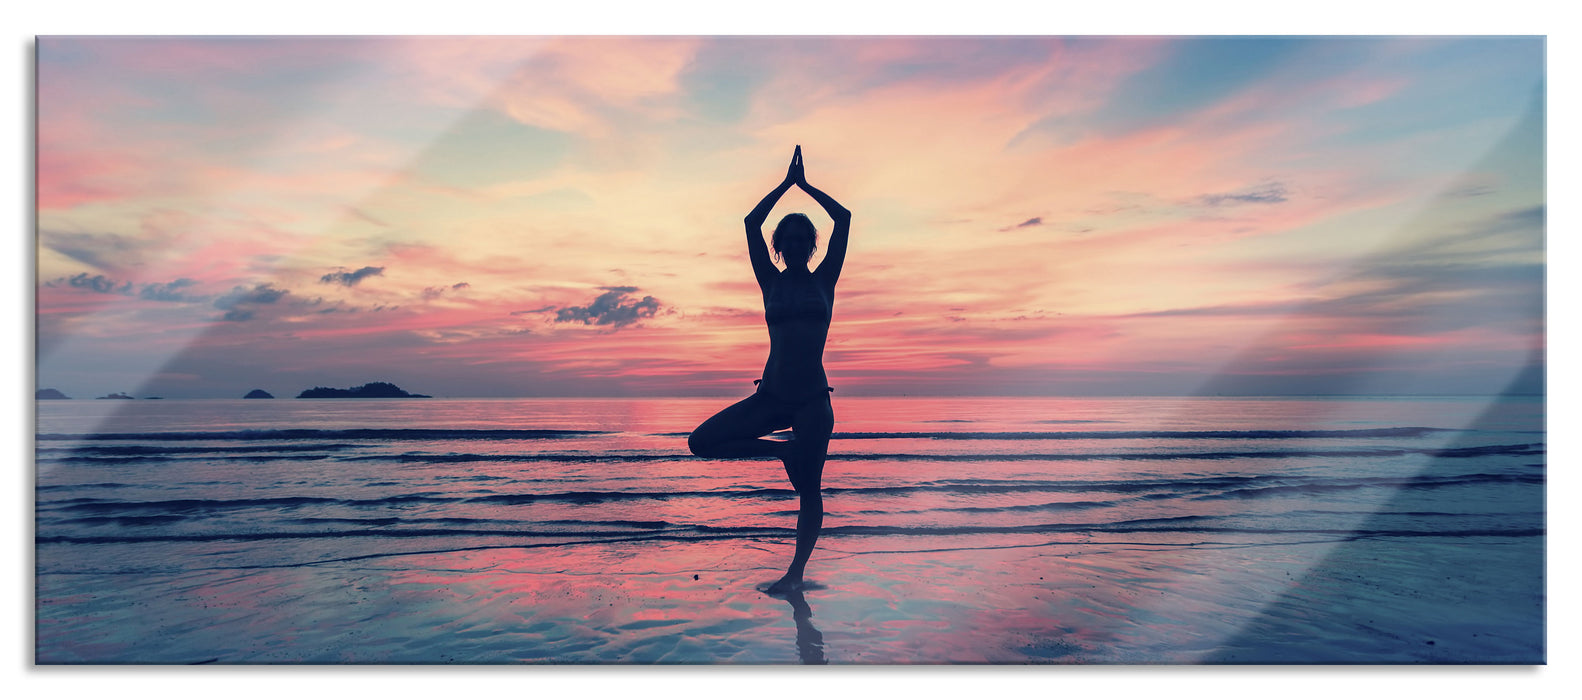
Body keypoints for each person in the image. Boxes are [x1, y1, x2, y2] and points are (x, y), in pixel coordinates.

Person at [688, 145, 851, 594]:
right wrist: (783, 186)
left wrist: (807, 187)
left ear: (812, 245)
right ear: (779, 246)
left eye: (804, 238)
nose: (797, 244)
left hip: (813, 401)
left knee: (810, 490)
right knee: (700, 442)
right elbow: (749, 224)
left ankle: (795, 575)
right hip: (772, 395)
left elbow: (845, 219)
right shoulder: (770, 281)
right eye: (789, 239)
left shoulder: (825, 280)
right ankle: (782, 452)